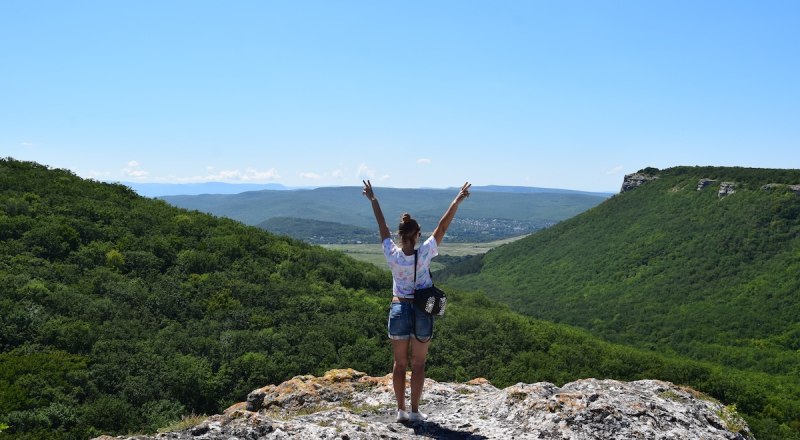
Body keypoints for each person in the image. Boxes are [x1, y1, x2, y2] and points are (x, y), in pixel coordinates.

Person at [362, 179, 471, 423]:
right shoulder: (424, 254)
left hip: (399, 307)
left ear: (400, 235)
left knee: (399, 364)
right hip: (422, 311)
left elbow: (381, 225)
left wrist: (373, 199)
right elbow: (442, 227)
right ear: (417, 234)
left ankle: (400, 410)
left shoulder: (391, 254)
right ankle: (414, 410)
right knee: (418, 364)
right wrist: (457, 199)